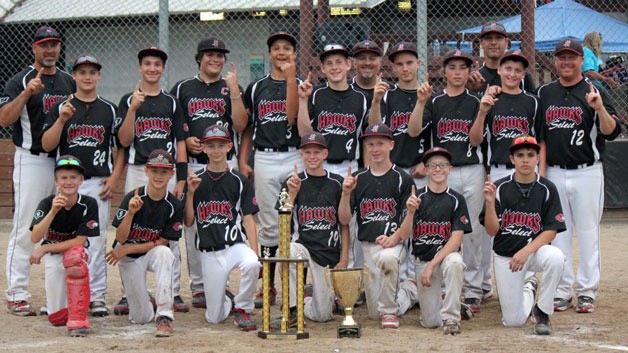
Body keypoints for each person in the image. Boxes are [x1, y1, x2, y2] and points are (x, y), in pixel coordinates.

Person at [537, 39, 621, 314]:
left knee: (588, 234)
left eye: (572, 57)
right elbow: (541, 138)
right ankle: (562, 290)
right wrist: (542, 174)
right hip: (555, 172)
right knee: (558, 234)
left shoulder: (594, 90)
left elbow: (611, 131)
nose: (566, 62)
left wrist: (598, 108)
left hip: (588, 171)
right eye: (561, 57)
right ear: (556, 61)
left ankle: (586, 291)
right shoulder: (545, 93)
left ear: (581, 60)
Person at [0, 25, 76, 316]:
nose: (49, 50)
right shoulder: (19, 80)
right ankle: (17, 292)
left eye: (54, 44)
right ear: (33, 48)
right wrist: (25, 94)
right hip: (31, 160)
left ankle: (56, 297)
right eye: (44, 45)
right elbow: (4, 119)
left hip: (63, 161)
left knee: (60, 227)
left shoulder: (69, 81)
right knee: (26, 227)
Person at [41, 55, 124, 317]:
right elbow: (46, 144)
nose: (87, 76)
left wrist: (114, 178)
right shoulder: (61, 107)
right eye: (82, 72)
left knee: (96, 241)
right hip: (68, 185)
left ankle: (96, 296)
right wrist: (62, 120)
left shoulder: (109, 109)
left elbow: (120, 148)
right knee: (61, 238)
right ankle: (60, 299)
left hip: (98, 182)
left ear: (99, 76)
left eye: (92, 72)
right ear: (73, 76)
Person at [170, 36, 248, 309]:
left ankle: (220, 283)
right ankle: (200, 287)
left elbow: (240, 126)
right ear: (199, 58)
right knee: (195, 227)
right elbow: (175, 123)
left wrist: (235, 90)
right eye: (209, 54)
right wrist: (187, 138)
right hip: (194, 164)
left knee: (224, 220)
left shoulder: (230, 88)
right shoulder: (183, 88)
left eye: (220, 55)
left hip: (224, 164)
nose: (215, 59)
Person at [409, 50, 488, 313]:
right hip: (443, 171)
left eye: (462, 68)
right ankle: (443, 285)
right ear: (445, 72)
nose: (457, 72)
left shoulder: (476, 101)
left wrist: (481, 112)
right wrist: (421, 103)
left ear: (469, 72)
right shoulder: (436, 100)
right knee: (439, 228)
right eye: (452, 67)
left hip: (471, 168)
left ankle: (474, 289)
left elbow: (476, 141)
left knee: (473, 231)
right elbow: (414, 131)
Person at [115, 46, 189, 314]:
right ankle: (128, 293)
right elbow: (123, 141)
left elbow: (180, 141)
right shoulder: (127, 100)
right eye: (147, 63)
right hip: (138, 169)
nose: (152, 68)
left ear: (163, 69)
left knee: (170, 229)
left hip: (166, 172)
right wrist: (133, 110)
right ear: (140, 67)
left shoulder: (171, 102)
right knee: (132, 225)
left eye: (157, 64)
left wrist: (181, 178)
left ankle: (173, 291)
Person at [380, 147, 472, 335]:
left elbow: (456, 240)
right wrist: (410, 212)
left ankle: (452, 318)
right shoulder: (417, 198)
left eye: (442, 165)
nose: (438, 169)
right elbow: (405, 234)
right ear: (427, 169)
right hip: (422, 259)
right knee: (430, 322)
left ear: (450, 169)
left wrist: (433, 265)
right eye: (433, 165)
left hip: (444, 258)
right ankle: (416, 289)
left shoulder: (456, 199)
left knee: (455, 262)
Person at [239, 32, 301, 308]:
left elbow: (291, 117)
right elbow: (247, 129)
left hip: (294, 154)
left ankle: (293, 284)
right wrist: (244, 159)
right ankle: (270, 285)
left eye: (287, 48)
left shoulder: (300, 85)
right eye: (276, 48)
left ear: (294, 54)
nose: (281, 52)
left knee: (294, 220)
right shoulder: (256, 87)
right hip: (264, 156)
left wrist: (290, 79)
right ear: (269, 54)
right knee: (268, 224)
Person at [480, 135, 566, 335]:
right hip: (507, 256)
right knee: (513, 321)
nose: (525, 159)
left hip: (532, 253)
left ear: (538, 158)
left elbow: (551, 230)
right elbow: (491, 230)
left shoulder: (547, 188)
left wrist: (526, 251)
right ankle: (529, 286)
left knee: (556, 258)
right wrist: (490, 203)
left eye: (530, 154)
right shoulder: (500, 187)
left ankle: (542, 311)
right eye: (520, 155)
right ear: (512, 159)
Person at [338, 123, 414, 329]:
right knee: (373, 314)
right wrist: (345, 194)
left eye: (380, 143)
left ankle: (391, 312)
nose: (375, 148)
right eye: (370, 144)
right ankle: (409, 292)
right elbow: (344, 219)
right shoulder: (358, 179)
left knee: (388, 260)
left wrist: (394, 238)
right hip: (367, 246)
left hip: (394, 244)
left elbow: (408, 226)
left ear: (391, 145)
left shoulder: (403, 178)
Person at [185, 125, 260, 331]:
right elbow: (189, 222)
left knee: (252, 263)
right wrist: (190, 194)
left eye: (220, 145)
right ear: (204, 148)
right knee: (214, 318)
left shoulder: (239, 180)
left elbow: (248, 219)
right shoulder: (195, 181)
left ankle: (243, 308)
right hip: (209, 252)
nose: (216, 150)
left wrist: (255, 252)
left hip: (234, 245)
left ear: (229, 147)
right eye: (211, 146)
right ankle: (226, 300)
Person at [271, 131, 348, 328]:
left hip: (327, 253)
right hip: (303, 247)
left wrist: (344, 257)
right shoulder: (292, 182)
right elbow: (283, 222)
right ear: (301, 154)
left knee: (322, 316)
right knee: (285, 251)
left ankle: (306, 300)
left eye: (317, 152)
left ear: (325, 154)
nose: (312, 156)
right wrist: (292, 196)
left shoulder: (337, 182)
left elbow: (344, 223)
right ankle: (292, 310)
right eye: (307, 152)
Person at [106, 149, 184, 337]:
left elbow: (163, 241)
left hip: (150, 252)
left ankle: (165, 315)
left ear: (171, 174)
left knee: (166, 254)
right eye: (155, 171)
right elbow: (121, 237)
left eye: (164, 171)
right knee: (141, 317)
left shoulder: (174, 204)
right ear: (146, 171)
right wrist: (131, 213)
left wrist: (128, 248)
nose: (159, 176)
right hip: (129, 258)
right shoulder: (133, 197)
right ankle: (149, 300)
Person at [29, 155, 99, 337]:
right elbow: (36, 236)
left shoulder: (88, 204)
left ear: (81, 180)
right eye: (64, 177)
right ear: (56, 180)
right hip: (54, 255)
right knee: (56, 317)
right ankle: (65, 307)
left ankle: (78, 315)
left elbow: (80, 241)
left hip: (76, 252)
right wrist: (53, 211)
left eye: (73, 177)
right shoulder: (47, 203)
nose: (69, 182)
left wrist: (45, 248)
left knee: (75, 258)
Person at [297, 43, 368, 178]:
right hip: (319, 164)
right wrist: (302, 99)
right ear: (323, 68)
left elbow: (368, 136)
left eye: (338, 62)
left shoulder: (362, 97)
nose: (334, 67)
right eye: (329, 63)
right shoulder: (315, 94)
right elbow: (304, 133)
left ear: (348, 64)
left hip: (349, 165)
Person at [469, 50, 540, 181]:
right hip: (498, 170)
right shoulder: (489, 100)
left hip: (528, 169)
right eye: (508, 69)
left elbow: (541, 139)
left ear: (523, 75)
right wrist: (482, 112)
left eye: (518, 70)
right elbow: (474, 141)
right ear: (499, 70)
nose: (512, 74)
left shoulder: (533, 101)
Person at [467, 22, 536, 95]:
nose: (493, 42)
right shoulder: (475, 77)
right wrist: (470, 90)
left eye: (498, 38)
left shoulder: (520, 76)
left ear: (506, 42)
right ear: (481, 43)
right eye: (488, 38)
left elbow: (531, 102)